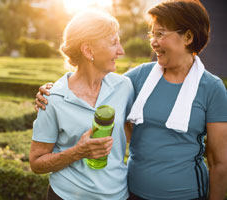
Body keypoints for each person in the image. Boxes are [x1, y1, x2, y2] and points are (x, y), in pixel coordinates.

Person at [34, 0, 227, 199]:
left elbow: (219, 162)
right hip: (133, 193)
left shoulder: (212, 88)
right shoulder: (140, 76)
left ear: (188, 37)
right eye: (153, 34)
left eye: (160, 34)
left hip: (188, 194)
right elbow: (93, 82)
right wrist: (51, 91)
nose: (153, 41)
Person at [29, 9, 134, 200]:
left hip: (118, 195)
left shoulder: (124, 87)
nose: (121, 51)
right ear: (88, 50)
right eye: (113, 43)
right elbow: (36, 163)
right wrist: (77, 152)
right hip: (66, 195)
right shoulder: (53, 98)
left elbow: (130, 133)